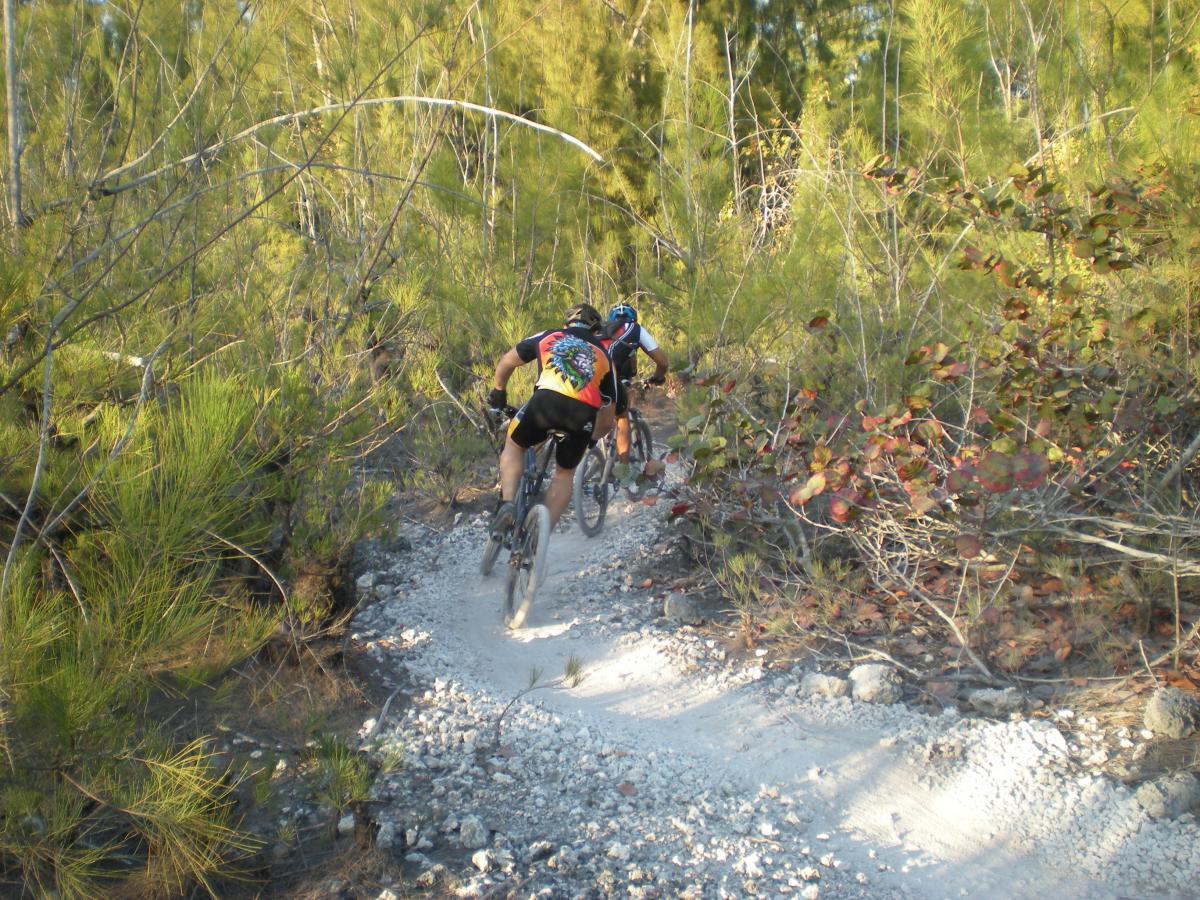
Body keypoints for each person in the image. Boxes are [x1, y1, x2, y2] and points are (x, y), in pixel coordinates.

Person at [488, 303, 617, 531]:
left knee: (515, 444)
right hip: (581, 416)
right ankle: (536, 540)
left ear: (566, 324)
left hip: (545, 403)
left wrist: (499, 392)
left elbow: (508, 361)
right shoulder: (606, 357)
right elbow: (607, 420)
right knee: (564, 474)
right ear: (596, 330)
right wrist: (589, 438)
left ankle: (507, 504)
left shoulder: (550, 335)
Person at [601, 302, 668, 463]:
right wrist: (657, 378)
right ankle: (624, 471)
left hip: (590, 375)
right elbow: (662, 363)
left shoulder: (601, 329)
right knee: (622, 415)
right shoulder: (635, 329)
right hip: (615, 377)